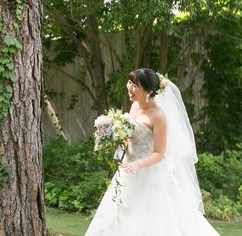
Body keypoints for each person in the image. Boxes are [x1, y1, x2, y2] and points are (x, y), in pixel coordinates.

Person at [85, 68, 219, 235]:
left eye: (135, 86)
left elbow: (159, 154)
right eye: (129, 83)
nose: (130, 88)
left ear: (148, 91)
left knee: (152, 217)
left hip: (150, 173)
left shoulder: (158, 116)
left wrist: (137, 164)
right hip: (128, 170)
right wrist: (113, 134)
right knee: (122, 214)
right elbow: (129, 137)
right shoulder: (134, 106)